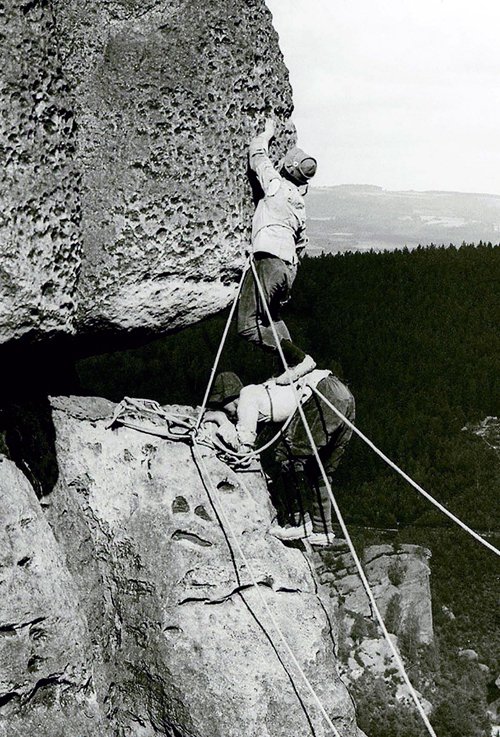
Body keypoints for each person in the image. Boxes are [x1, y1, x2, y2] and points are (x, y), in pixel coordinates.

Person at [204, 369, 355, 547]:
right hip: (343, 395)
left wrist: (220, 419)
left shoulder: (247, 397)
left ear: (229, 398)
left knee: (287, 456)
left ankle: (300, 522)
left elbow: (243, 450)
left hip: (321, 393)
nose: (229, 413)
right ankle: (322, 530)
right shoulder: (267, 393)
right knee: (320, 467)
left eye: (224, 408)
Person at [237, 118, 318, 384]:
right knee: (272, 317)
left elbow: (257, 155)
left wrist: (267, 133)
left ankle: (297, 360)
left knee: (248, 325)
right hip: (288, 268)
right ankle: (291, 366)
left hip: (268, 260)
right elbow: (302, 244)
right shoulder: (299, 205)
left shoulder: (275, 186)